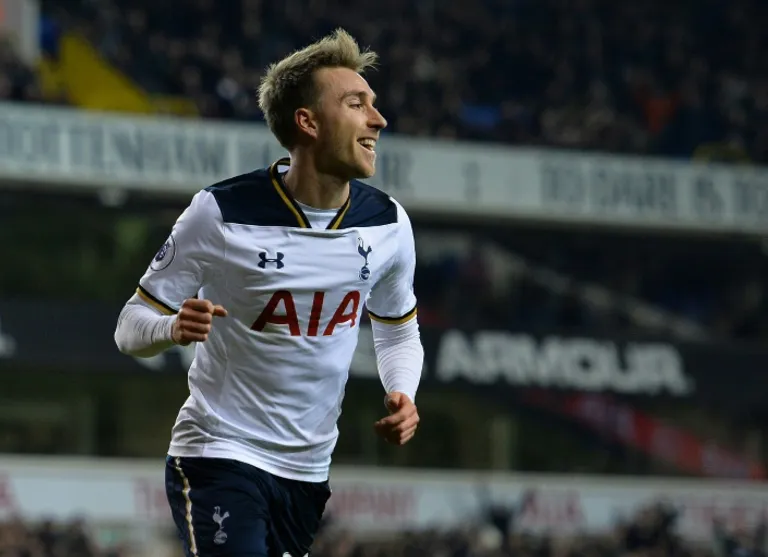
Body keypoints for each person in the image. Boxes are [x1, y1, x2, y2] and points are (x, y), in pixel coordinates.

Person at [114, 28, 424, 557]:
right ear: (308, 122)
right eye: (357, 104)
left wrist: (403, 391)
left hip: (307, 472)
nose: (378, 119)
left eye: (373, 104)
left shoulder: (388, 224)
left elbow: (398, 329)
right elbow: (129, 328)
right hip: (219, 453)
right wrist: (172, 328)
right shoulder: (221, 212)